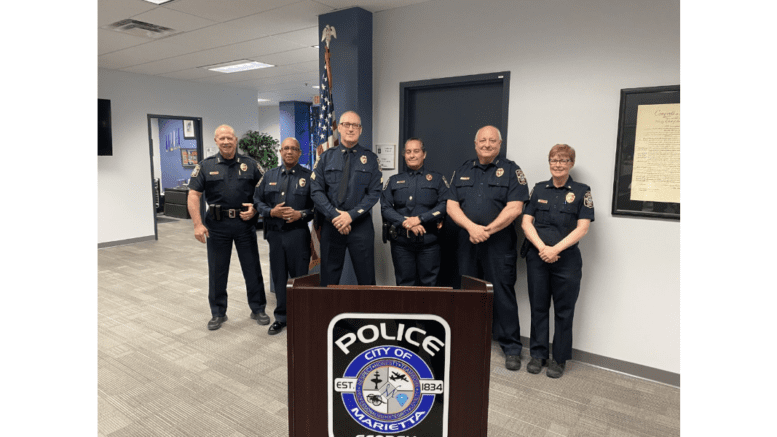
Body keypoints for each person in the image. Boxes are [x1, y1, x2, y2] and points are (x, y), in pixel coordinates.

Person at [445, 125, 529, 371]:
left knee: (502, 293)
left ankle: (512, 347)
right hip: (467, 242)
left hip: (499, 243)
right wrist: (472, 228)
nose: (487, 144)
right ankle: (468, 340)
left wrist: (487, 230)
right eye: (482, 140)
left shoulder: (512, 171)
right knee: (469, 292)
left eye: (492, 140)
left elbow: (515, 207)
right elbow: (451, 206)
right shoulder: (462, 170)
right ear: (475, 143)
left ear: (499, 145)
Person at [521, 144, 594, 378]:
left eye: (563, 160)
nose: (558, 164)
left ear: (571, 163)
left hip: (567, 260)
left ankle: (559, 359)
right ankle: (538, 355)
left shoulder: (582, 191)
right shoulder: (539, 189)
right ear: (549, 162)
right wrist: (543, 248)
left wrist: (555, 249)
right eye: (554, 160)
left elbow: (582, 228)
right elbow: (525, 222)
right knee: (539, 307)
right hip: (538, 257)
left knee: (564, 310)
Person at [187, 125, 269, 331]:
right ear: (216, 141)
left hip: (244, 223)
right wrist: (197, 224)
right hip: (217, 226)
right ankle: (218, 312)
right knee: (217, 270)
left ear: (236, 140)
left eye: (229, 138)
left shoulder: (251, 165)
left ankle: (258, 308)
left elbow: (266, 191)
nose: (226, 142)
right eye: (221, 138)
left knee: (252, 267)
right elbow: (193, 195)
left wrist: (256, 210)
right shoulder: (205, 166)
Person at [310, 111, 382, 286]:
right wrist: (335, 215)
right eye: (347, 125)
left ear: (361, 130)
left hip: (360, 226)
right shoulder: (325, 157)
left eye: (355, 125)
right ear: (339, 128)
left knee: (366, 277)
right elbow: (316, 191)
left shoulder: (371, 159)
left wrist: (350, 216)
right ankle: (329, 313)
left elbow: (374, 193)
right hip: (331, 224)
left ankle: (367, 313)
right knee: (329, 277)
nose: (351, 129)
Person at [253, 138, 314, 335]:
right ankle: (281, 317)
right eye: (286, 148)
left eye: (294, 149)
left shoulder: (309, 176)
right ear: (280, 151)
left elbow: (316, 207)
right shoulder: (269, 175)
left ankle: (302, 316)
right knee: (279, 278)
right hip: (276, 235)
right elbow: (256, 200)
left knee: (299, 278)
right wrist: (271, 212)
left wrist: (301, 214)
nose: (289, 152)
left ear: (299, 153)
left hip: (298, 234)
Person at [380, 138, 448, 286]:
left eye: (416, 151)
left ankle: (428, 310)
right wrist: (406, 222)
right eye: (408, 152)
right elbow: (385, 207)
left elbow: (445, 204)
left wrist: (420, 219)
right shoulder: (394, 180)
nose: (412, 155)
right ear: (404, 155)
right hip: (401, 243)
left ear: (424, 154)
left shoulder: (437, 179)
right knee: (404, 283)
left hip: (429, 242)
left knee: (429, 283)